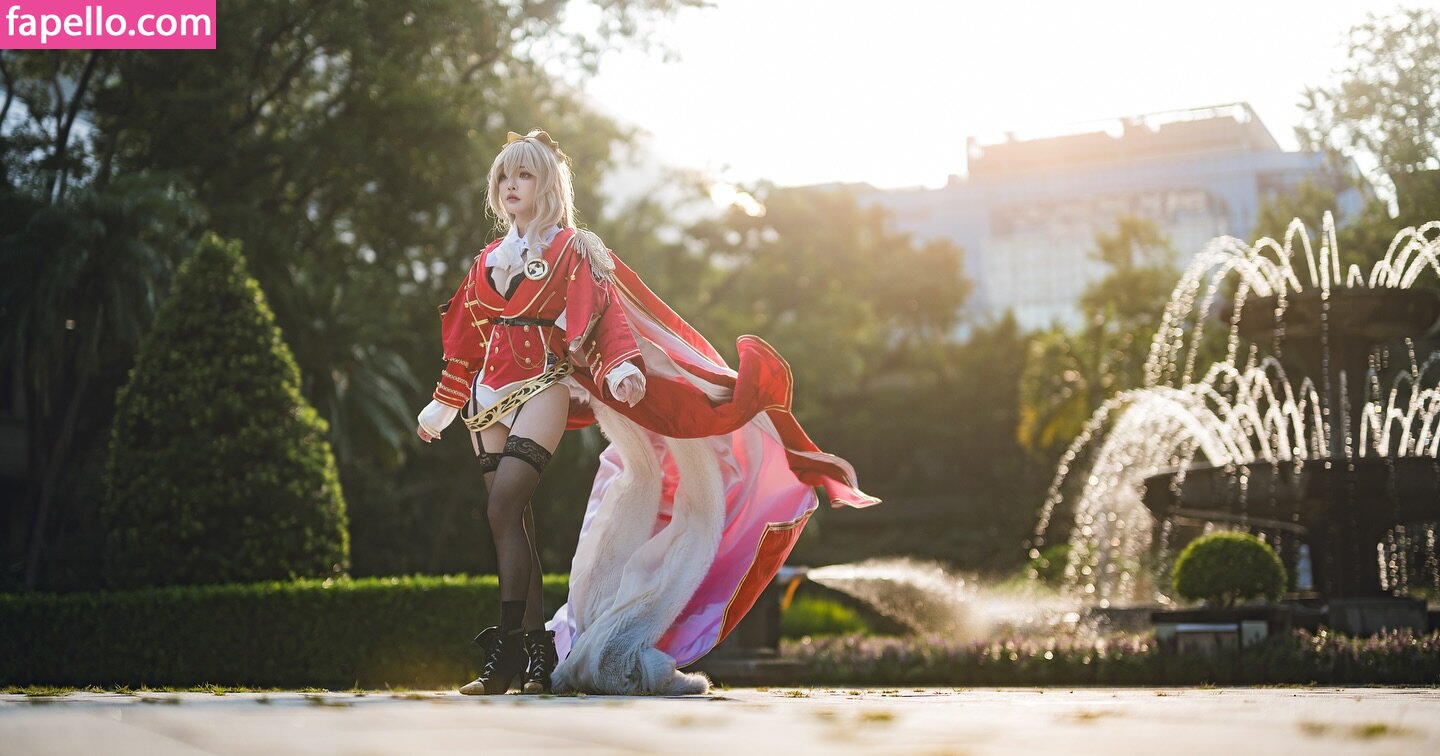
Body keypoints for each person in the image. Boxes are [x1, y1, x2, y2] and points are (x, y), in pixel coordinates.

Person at [415, 129, 879, 696]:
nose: (512, 185)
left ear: (548, 184)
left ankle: (510, 651)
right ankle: (531, 655)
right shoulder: (487, 260)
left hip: (542, 387)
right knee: (513, 522)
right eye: (504, 176)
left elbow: (607, 312)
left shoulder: (574, 249)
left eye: (525, 174)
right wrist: (444, 401)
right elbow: (465, 339)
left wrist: (619, 366)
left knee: (503, 508)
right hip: (484, 399)